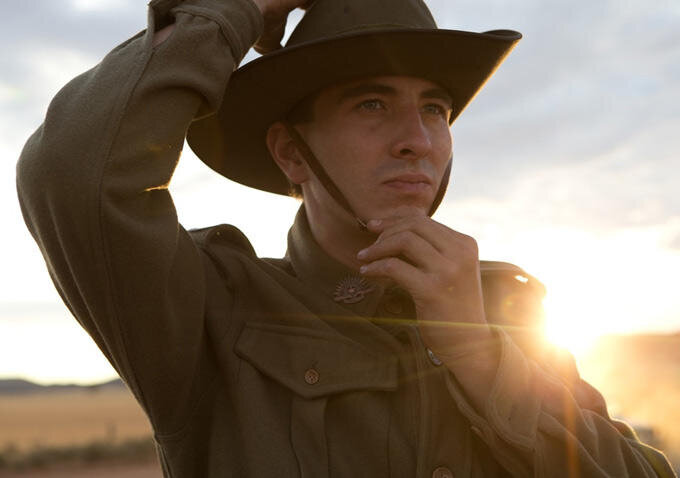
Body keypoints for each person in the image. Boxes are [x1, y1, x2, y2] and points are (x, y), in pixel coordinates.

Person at [16, 0, 676, 476]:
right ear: (290, 152)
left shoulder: (507, 308)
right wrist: (232, 12)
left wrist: (481, 357)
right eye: (371, 104)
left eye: (435, 109)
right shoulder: (213, 309)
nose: (417, 140)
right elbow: (72, 175)